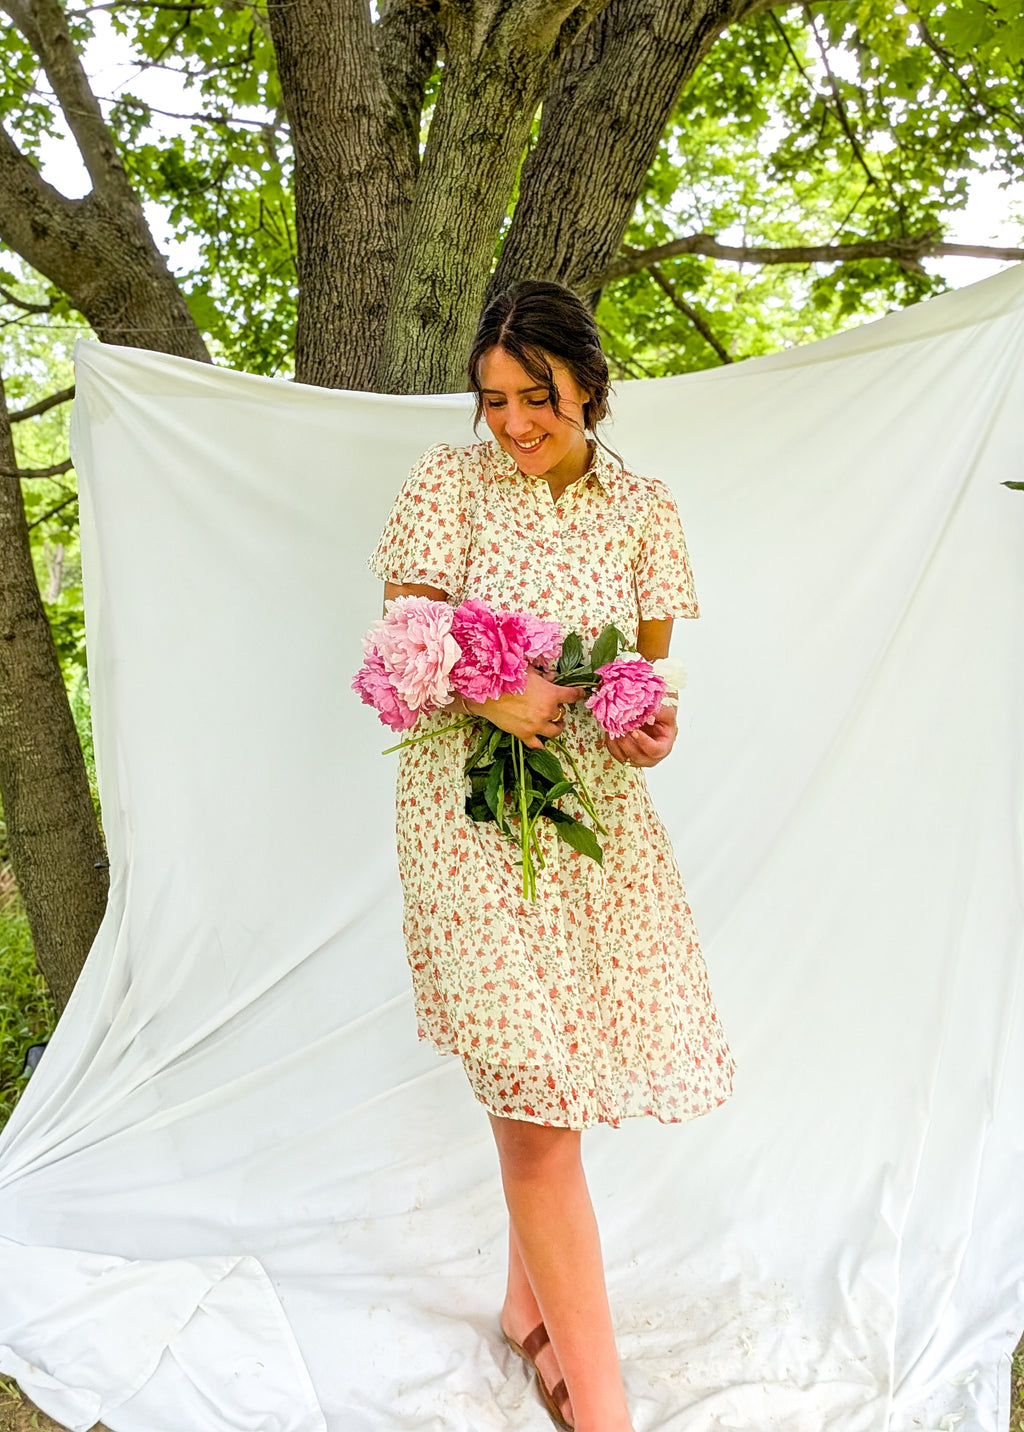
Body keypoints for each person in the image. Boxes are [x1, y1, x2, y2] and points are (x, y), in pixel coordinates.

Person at [368, 279, 735, 1432]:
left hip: (589, 825)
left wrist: (646, 726)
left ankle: (529, 1313)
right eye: (494, 400)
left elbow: (651, 698)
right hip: (466, 821)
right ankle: (608, 1411)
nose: (516, 423)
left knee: (559, 1079)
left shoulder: (646, 511)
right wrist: (494, 690)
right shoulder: (448, 483)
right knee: (533, 1106)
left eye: (540, 397)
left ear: (590, 386)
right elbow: (400, 640)